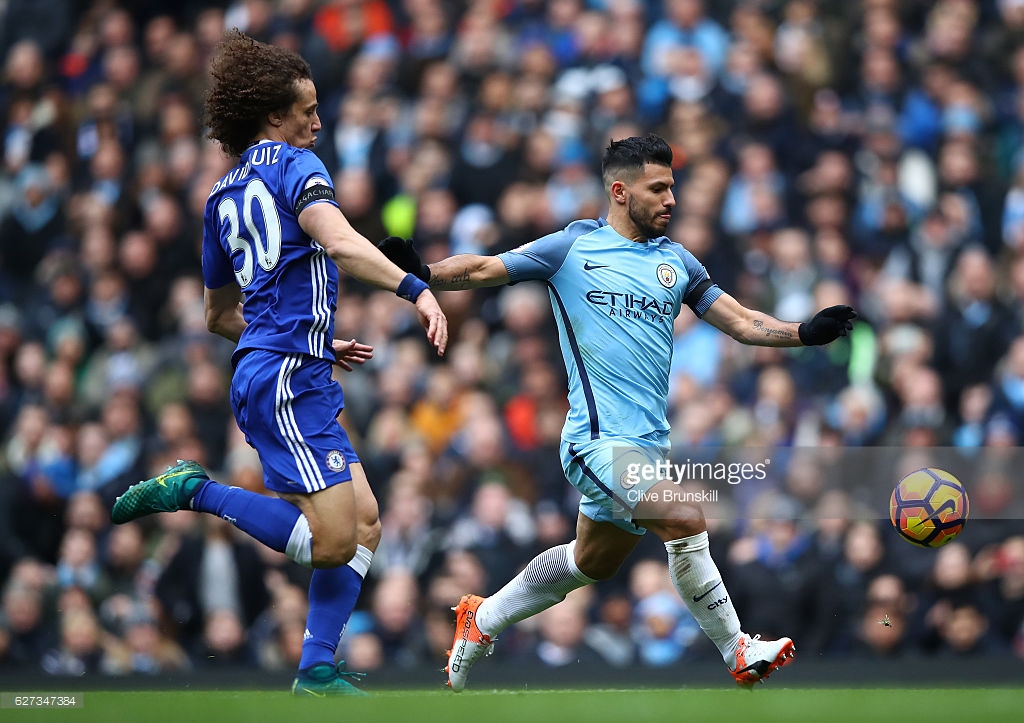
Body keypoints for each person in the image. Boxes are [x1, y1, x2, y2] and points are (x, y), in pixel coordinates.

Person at [378, 134, 855, 690]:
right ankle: (738, 649)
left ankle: (481, 619)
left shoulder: (677, 261)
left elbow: (741, 321)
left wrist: (803, 333)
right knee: (685, 518)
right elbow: (486, 267)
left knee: (591, 562)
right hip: (596, 441)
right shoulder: (572, 247)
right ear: (621, 192)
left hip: (648, 446)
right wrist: (424, 273)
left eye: (672, 187)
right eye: (658, 188)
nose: (671, 199)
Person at [110, 30, 448, 697]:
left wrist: (317, 341)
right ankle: (195, 490)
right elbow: (341, 244)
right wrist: (415, 288)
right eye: (307, 111)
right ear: (274, 116)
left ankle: (316, 669)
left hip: (290, 366)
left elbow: (217, 315)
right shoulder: (296, 166)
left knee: (366, 522)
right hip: (285, 379)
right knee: (332, 542)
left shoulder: (220, 197)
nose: (317, 123)